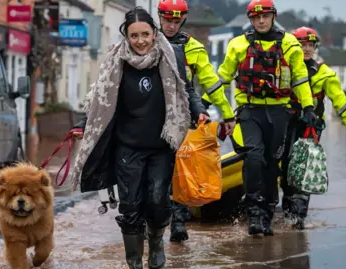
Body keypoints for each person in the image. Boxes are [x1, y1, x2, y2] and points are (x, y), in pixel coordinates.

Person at [69, 7, 209, 269]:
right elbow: (99, 100)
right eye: (134, 36)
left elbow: (186, 89)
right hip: (128, 147)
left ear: (154, 33)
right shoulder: (115, 61)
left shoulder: (172, 56)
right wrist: (82, 124)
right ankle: (133, 262)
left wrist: (199, 111)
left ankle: (156, 246)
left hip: (161, 146)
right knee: (131, 206)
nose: (141, 40)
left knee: (157, 201)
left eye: (145, 34)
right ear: (126, 36)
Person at [216, 0, 316, 236]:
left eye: (265, 16)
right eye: (256, 17)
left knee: (273, 164)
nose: (261, 21)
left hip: (280, 111)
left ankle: (268, 213)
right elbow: (222, 77)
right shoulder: (238, 45)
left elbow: (300, 78)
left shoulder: (290, 43)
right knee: (254, 156)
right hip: (250, 111)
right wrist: (206, 104)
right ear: (250, 20)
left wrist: (309, 107)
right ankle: (254, 212)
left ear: (273, 16)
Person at [157, 0, 236, 243]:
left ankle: (178, 222)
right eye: (167, 19)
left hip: (182, 117)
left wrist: (227, 114)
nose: (171, 25)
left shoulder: (194, 48)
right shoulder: (147, 41)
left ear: (183, 20)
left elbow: (211, 84)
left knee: (181, 170)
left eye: (176, 20)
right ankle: (154, 221)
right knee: (154, 171)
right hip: (150, 117)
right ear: (159, 17)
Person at [280, 26, 346, 230]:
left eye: (310, 46)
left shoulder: (325, 74)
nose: (306, 49)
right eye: (302, 45)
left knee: (304, 170)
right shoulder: (284, 68)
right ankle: (286, 210)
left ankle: (297, 218)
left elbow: (340, 102)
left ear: (315, 48)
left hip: (310, 126)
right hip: (285, 122)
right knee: (285, 166)